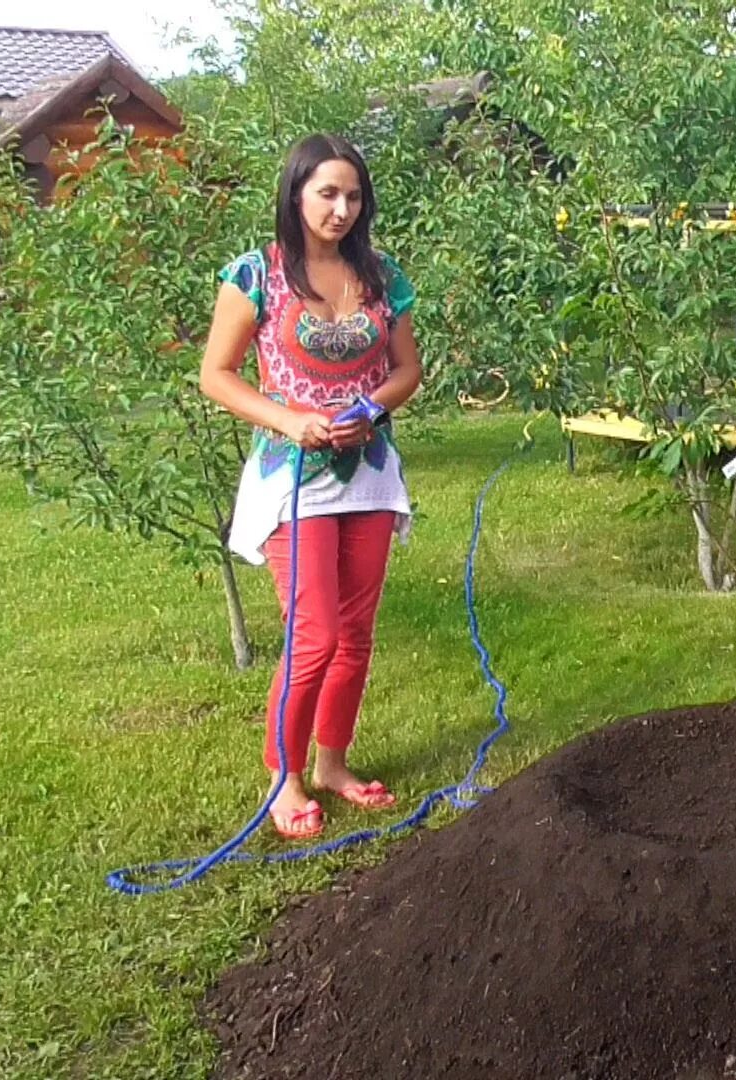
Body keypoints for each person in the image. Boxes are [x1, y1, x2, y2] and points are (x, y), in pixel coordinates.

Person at [198, 133, 423, 840]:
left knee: (354, 635)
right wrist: (289, 419)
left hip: (369, 473)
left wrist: (372, 409)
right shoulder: (255, 275)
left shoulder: (384, 276)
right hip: (292, 478)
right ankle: (283, 777)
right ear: (295, 193)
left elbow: (406, 370)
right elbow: (217, 374)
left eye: (353, 195)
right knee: (315, 634)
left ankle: (332, 764)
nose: (341, 208)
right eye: (327, 192)